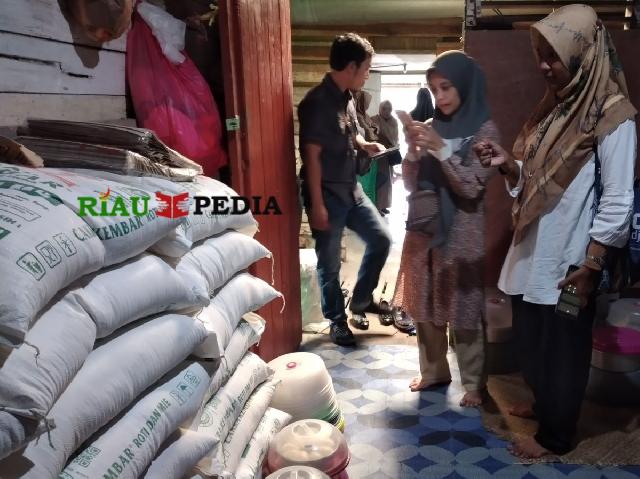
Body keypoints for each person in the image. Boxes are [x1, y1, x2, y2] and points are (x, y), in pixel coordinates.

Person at [474, 4, 637, 458]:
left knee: (564, 350)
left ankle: (557, 436)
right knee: (533, 341)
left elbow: (619, 198)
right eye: (539, 53)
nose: (543, 65)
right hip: (532, 248)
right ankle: (547, 404)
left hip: (570, 258)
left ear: (583, 54)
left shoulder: (612, 115)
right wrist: (511, 166)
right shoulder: (557, 109)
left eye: (554, 55)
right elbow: (537, 182)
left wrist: (592, 264)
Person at [392, 51, 498, 407]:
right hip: (424, 229)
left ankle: (473, 383)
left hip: (462, 232)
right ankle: (434, 370)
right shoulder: (433, 127)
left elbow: (471, 187)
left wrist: (440, 151)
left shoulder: (484, 130)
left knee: (464, 307)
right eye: (434, 90)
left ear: (465, 84)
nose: (440, 97)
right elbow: (411, 185)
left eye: (447, 87)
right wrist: (412, 152)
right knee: (424, 303)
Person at [298, 33, 392, 346]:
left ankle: (361, 301)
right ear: (351, 66)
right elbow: (310, 157)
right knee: (329, 264)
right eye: (366, 68)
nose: (368, 73)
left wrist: (365, 145)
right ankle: (336, 321)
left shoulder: (348, 98)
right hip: (325, 194)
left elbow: (351, 135)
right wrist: (318, 205)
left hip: (351, 190)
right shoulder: (316, 102)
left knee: (381, 239)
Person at [372, 100, 400, 216]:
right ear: (379, 109)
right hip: (378, 156)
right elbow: (373, 136)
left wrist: (393, 146)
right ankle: (376, 206)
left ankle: (384, 205)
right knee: (379, 180)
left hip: (389, 154)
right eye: (384, 109)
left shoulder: (394, 121)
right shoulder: (374, 119)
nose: (387, 111)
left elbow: (395, 137)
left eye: (389, 109)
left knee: (388, 181)